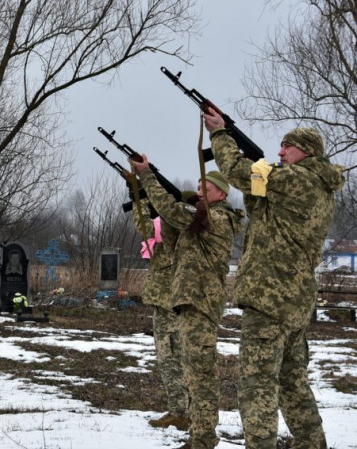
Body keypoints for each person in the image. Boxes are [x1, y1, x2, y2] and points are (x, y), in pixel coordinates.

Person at [204, 110, 344, 449]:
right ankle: (312, 443)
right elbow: (262, 208)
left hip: (270, 298)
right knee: (291, 380)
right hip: (293, 300)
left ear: (307, 152)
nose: (280, 153)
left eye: (288, 147)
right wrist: (256, 164)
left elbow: (237, 173)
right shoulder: (318, 187)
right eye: (280, 147)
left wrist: (221, 134)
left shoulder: (299, 179)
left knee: (257, 383)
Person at [130, 157, 242, 449]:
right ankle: (200, 437)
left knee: (200, 375)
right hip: (193, 303)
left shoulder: (216, 219)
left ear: (222, 194)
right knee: (195, 373)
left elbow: (171, 210)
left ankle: (203, 439)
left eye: (207, 187)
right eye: (198, 187)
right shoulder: (204, 219)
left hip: (201, 304)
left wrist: (147, 177)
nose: (200, 191)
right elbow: (169, 221)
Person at [132, 189, 198, 432]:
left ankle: (181, 412)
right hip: (167, 301)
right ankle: (183, 409)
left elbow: (146, 228)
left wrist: (143, 199)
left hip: (170, 302)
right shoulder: (178, 226)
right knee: (172, 358)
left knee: (172, 359)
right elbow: (147, 227)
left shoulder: (177, 227)